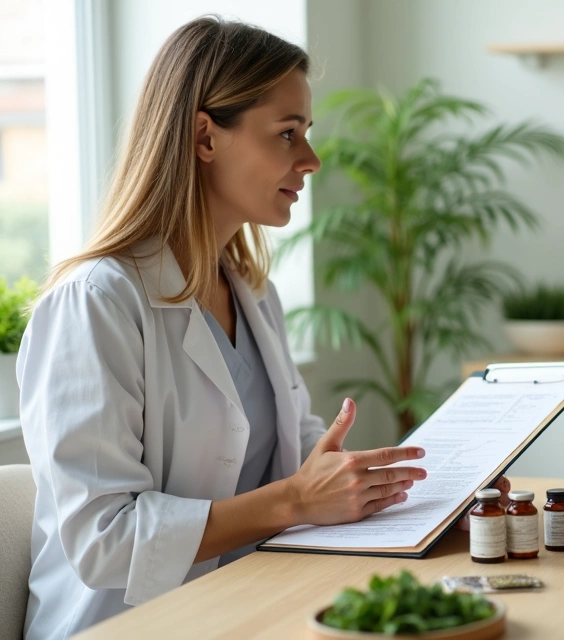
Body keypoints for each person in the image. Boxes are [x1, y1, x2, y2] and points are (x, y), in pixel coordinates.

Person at [18, 17, 505, 639]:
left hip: (244, 605)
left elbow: (295, 454)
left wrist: (423, 490)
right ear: (204, 138)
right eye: (287, 134)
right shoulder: (95, 303)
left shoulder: (251, 291)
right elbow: (104, 540)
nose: (310, 160)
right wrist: (297, 500)